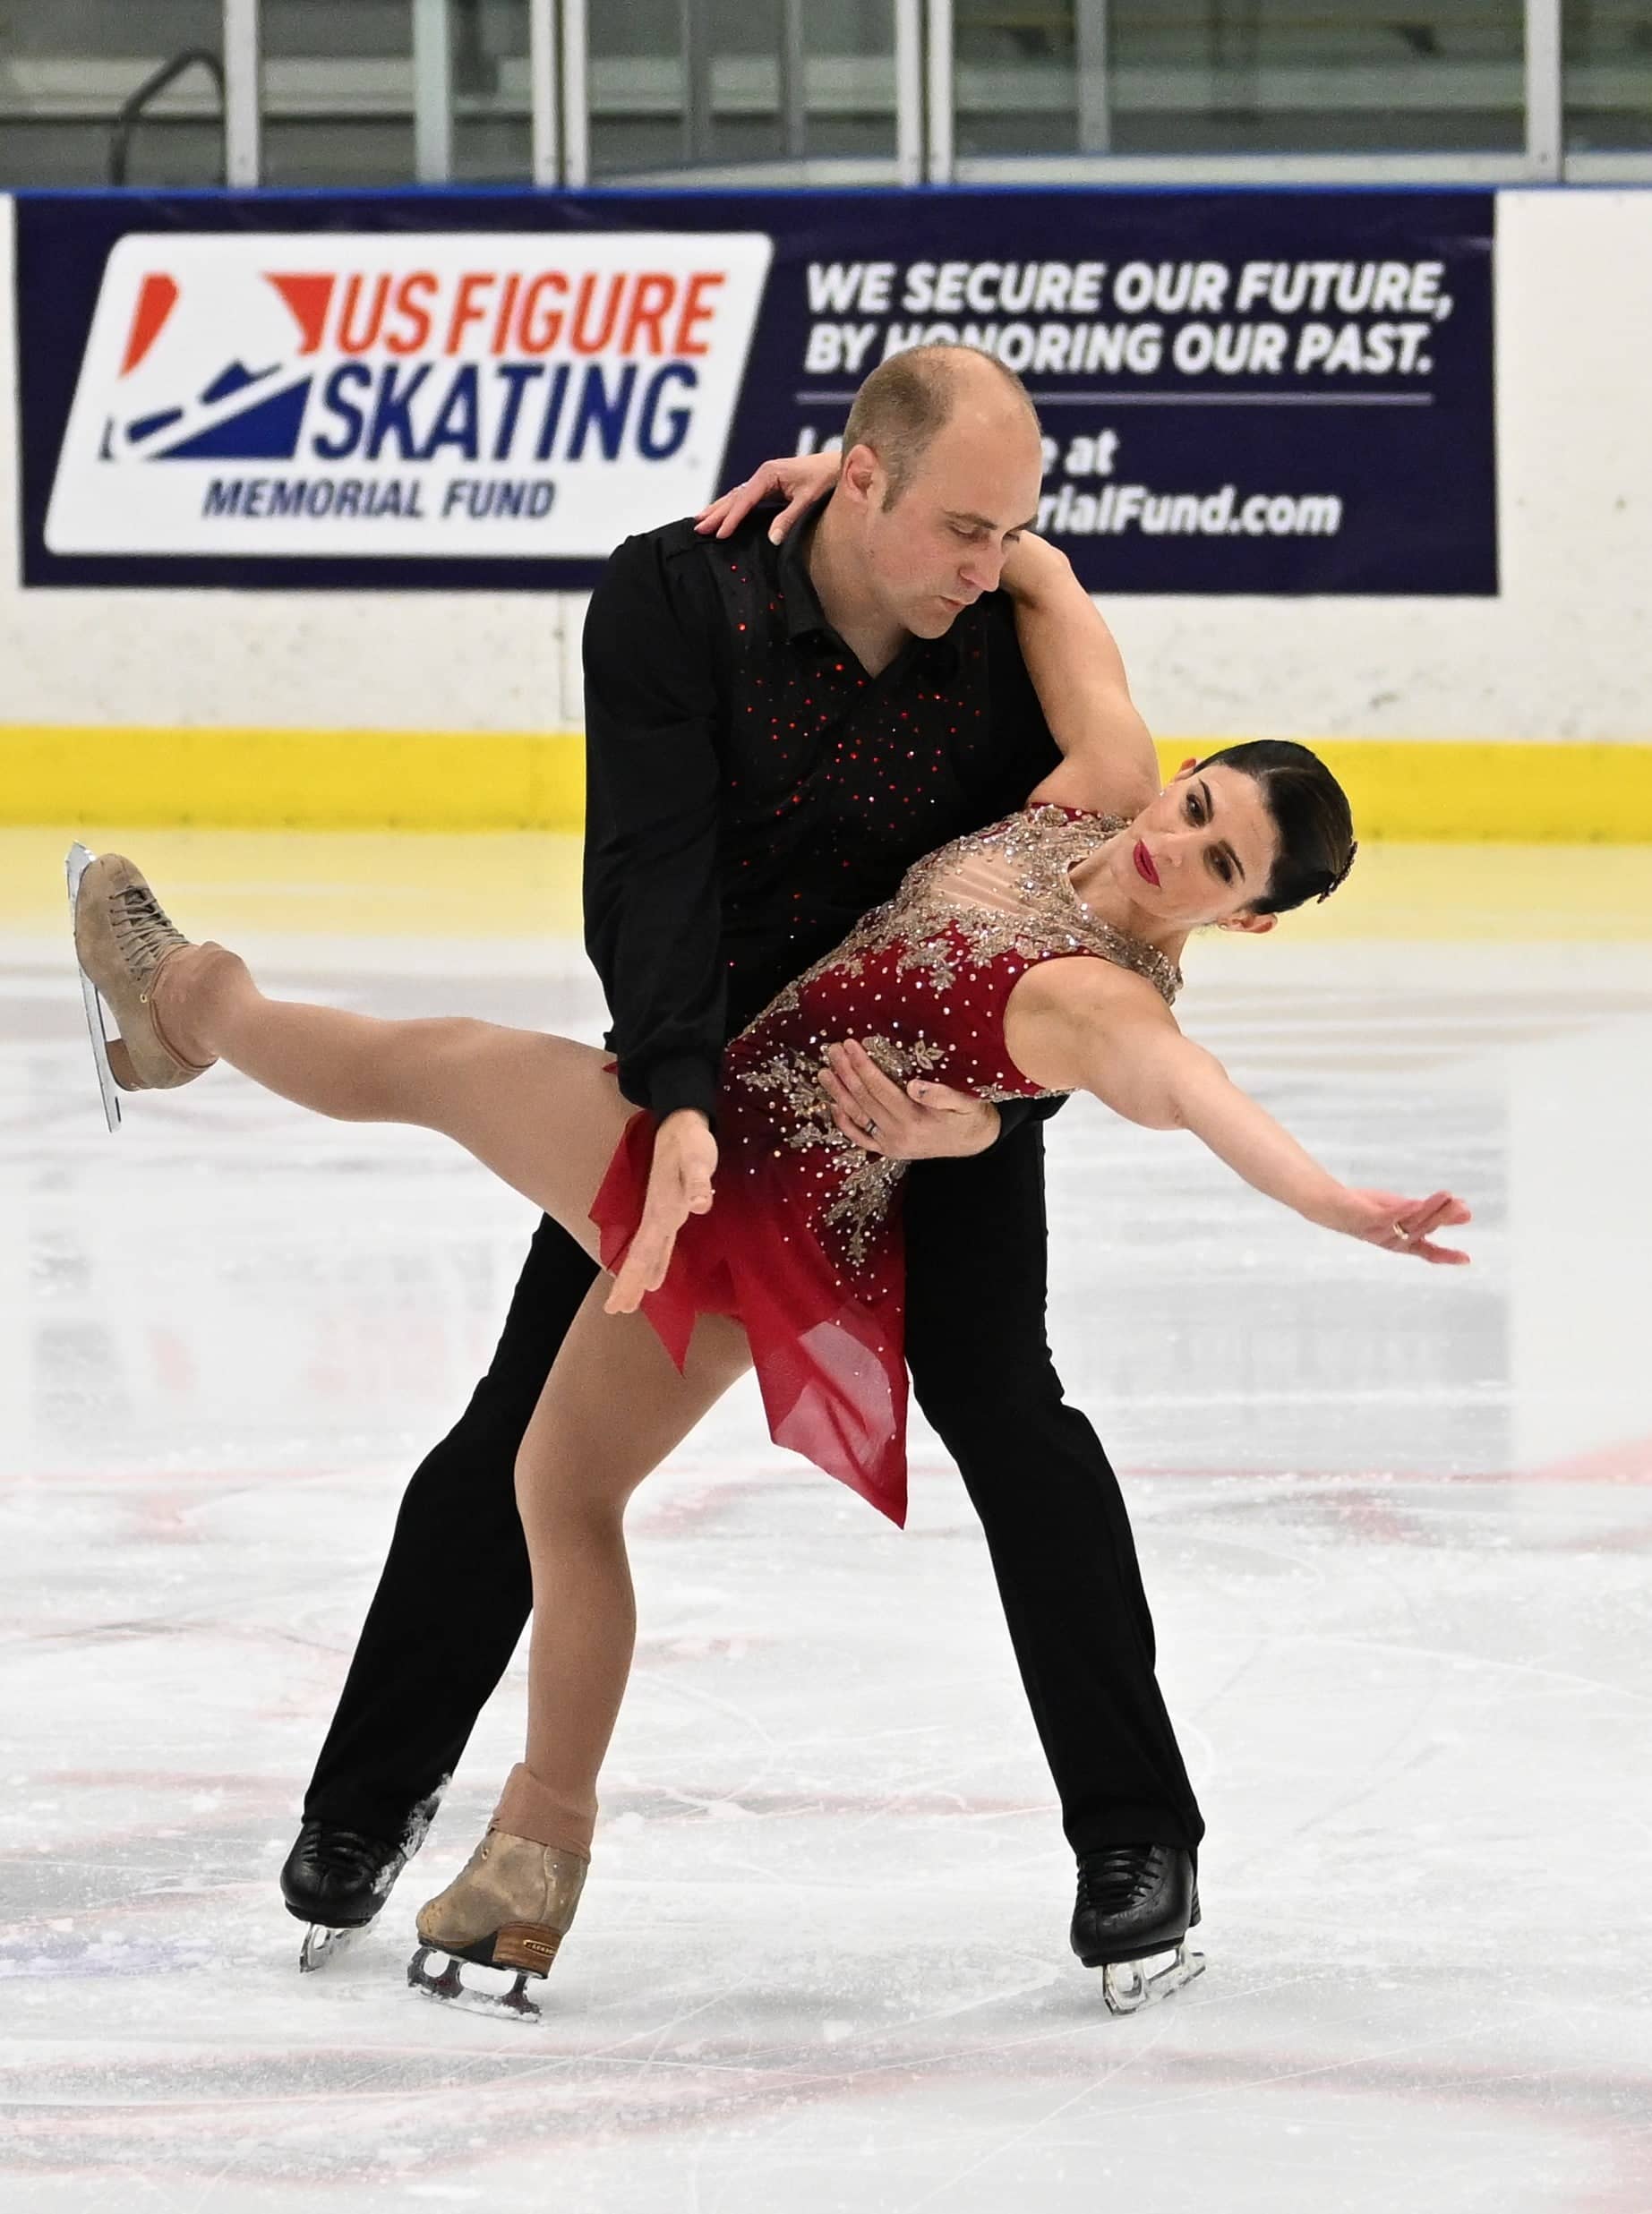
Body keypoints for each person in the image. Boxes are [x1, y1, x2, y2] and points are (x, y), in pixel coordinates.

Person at [68, 571, 1468, 2013]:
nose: (1180, 848)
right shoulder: (1095, 792)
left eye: (1223, 865)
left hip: (747, 1177)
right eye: (1198, 810)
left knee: (430, 1072)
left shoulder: (1105, 999)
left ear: (1246, 921)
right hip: (748, 1155)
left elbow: (1192, 1093)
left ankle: (187, 998)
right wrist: (913, 491)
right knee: (551, 1478)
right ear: (1180, 779)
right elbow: (1051, 594)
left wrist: (1334, 1201)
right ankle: (528, 1855)